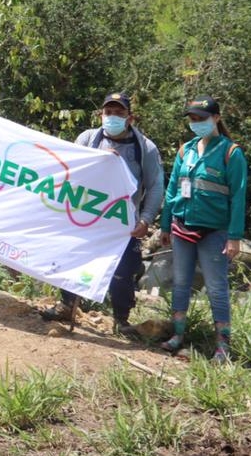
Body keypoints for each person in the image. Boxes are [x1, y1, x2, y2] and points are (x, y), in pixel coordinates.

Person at [40, 92, 164, 336]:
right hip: (86, 216)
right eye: (109, 112)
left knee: (125, 269)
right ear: (101, 114)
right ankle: (67, 304)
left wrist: (146, 219)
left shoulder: (144, 148)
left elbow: (156, 184)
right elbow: (71, 171)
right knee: (72, 257)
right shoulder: (87, 139)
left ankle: (121, 318)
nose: (113, 117)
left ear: (130, 117)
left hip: (123, 223)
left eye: (119, 113)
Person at [159, 97, 248, 363]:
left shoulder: (231, 153)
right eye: (193, 119)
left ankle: (223, 345)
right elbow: (173, 189)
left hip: (214, 232)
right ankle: (177, 336)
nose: (196, 123)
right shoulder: (185, 151)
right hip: (182, 227)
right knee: (181, 283)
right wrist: (165, 225)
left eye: (202, 118)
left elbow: (239, 196)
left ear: (217, 118)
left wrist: (234, 237)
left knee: (217, 287)